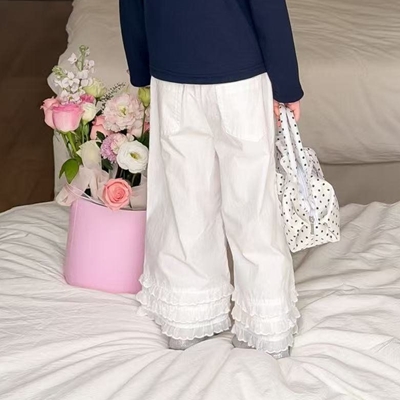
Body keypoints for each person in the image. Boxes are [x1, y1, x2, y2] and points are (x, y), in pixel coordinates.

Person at [120, 0, 303, 359]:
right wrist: (286, 85)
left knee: (184, 198)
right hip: (240, 76)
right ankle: (266, 323)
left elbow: (131, 5)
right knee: (252, 201)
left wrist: (141, 70)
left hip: (172, 71)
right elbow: (267, 7)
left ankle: (190, 316)